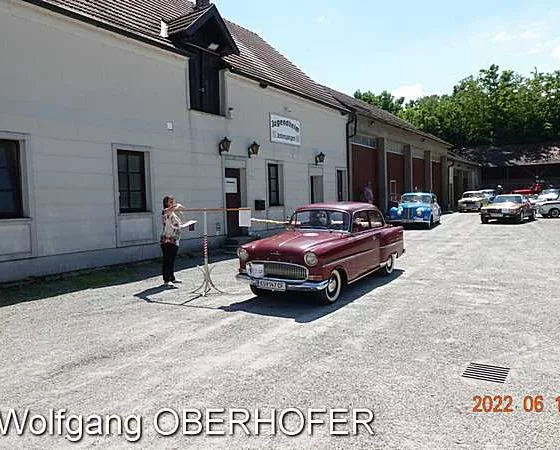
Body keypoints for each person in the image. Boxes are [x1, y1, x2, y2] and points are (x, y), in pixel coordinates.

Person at [160, 195, 186, 287]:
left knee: (172, 260)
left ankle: (172, 278)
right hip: (167, 240)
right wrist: (177, 205)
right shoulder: (165, 211)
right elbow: (169, 211)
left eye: (173, 201)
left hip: (174, 239)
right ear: (166, 203)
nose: (173, 203)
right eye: (171, 202)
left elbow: (176, 224)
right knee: (167, 260)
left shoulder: (173, 213)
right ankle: (166, 280)